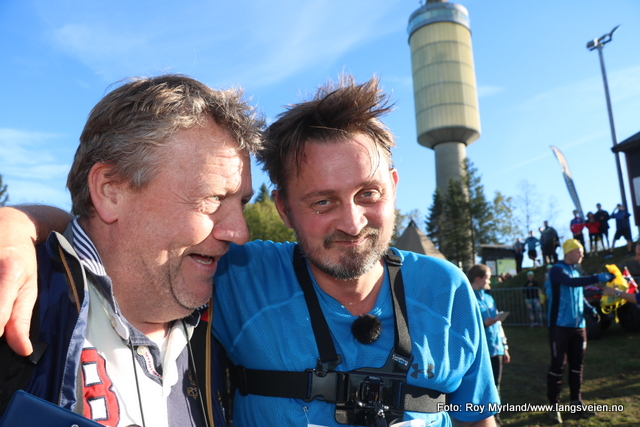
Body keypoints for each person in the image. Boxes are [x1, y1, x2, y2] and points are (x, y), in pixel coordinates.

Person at [0, 76, 499, 426]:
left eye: (368, 193)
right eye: (214, 199)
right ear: (285, 209)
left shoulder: (205, 294)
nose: (351, 222)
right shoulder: (26, 308)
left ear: (392, 186)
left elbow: (477, 417)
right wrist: (18, 225)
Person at [0, 75, 263, 426]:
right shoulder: (16, 303)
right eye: (213, 199)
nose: (240, 233)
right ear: (111, 191)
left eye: (242, 202)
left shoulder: (230, 325)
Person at [544, 239, 614, 424]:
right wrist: (597, 277)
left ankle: (576, 403)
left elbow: (577, 294)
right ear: (568, 252)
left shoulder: (575, 271)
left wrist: (590, 310)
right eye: (578, 251)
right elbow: (571, 283)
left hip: (578, 326)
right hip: (559, 325)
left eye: (582, 251)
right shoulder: (558, 270)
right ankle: (553, 406)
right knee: (558, 365)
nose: (582, 254)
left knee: (577, 366)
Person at [468, 265, 510, 426]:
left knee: (496, 385)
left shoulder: (489, 298)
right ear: (478, 278)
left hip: (496, 348)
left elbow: (498, 325)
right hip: (479, 351)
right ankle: (479, 418)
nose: (490, 280)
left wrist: (504, 347)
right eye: (487, 277)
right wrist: (483, 324)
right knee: (481, 387)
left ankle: (495, 417)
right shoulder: (468, 297)